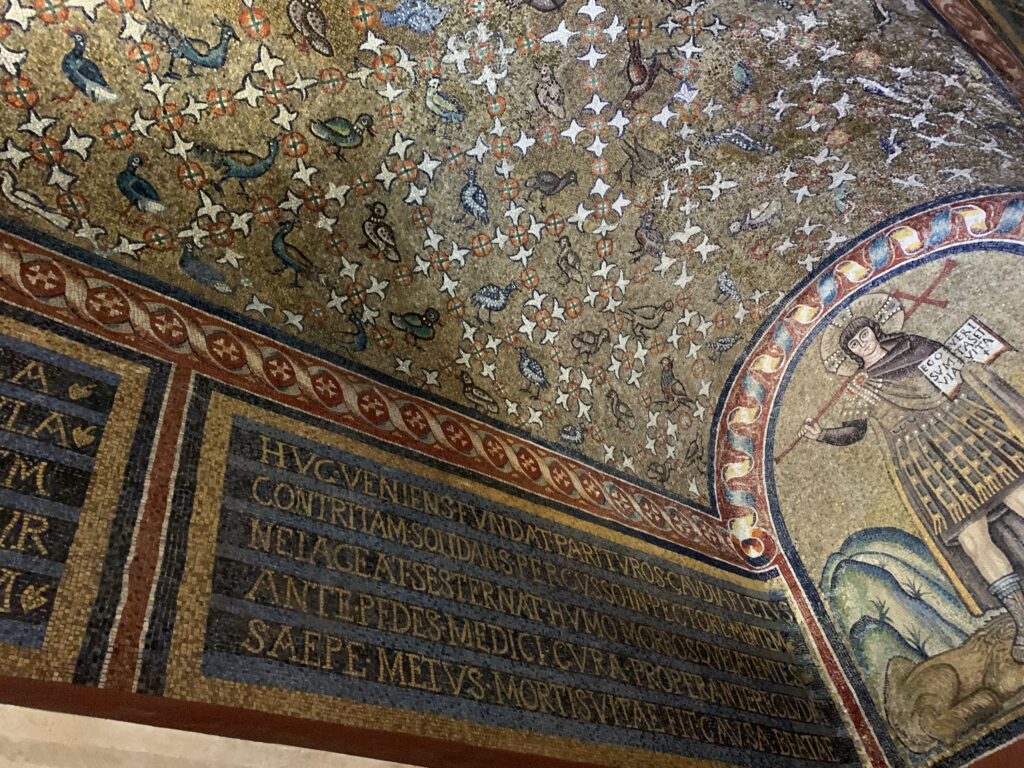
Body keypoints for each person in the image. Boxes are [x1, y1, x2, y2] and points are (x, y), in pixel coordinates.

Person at [801, 294, 1024, 661]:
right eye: (853, 343)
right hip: (923, 459)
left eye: (863, 334)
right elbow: (854, 429)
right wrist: (822, 434)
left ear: (874, 331)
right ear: (851, 352)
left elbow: (955, 373)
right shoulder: (861, 386)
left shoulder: (915, 347)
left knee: (1018, 497)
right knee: (972, 539)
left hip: (963, 430)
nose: (862, 343)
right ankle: (1021, 620)